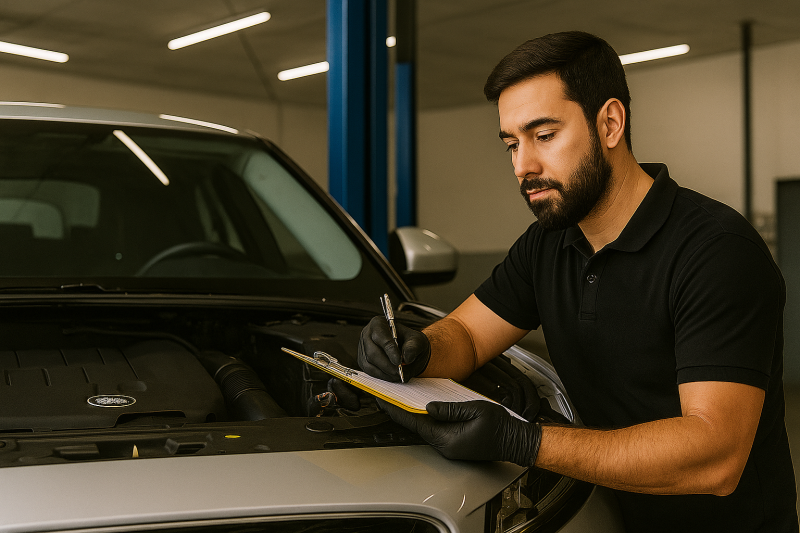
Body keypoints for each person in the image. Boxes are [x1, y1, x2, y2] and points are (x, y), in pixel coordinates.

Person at [358, 31, 798, 531]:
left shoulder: (716, 251)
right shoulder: (548, 243)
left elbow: (716, 456)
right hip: (602, 520)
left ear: (610, 124)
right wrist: (417, 349)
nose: (522, 166)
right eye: (512, 144)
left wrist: (524, 441)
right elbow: (469, 335)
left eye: (544, 136)